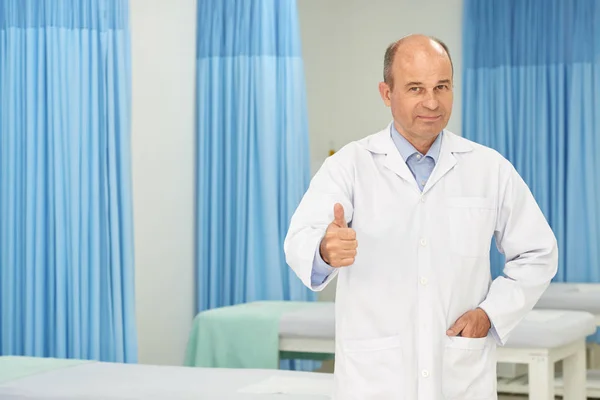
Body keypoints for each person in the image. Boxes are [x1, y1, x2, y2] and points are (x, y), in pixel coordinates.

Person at [284, 34, 558, 400]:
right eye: (415, 88)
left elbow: (538, 252)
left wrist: (490, 314)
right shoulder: (349, 166)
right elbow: (300, 240)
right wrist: (324, 249)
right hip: (375, 380)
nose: (431, 102)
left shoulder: (489, 168)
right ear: (386, 93)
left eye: (441, 87)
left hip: (459, 376)